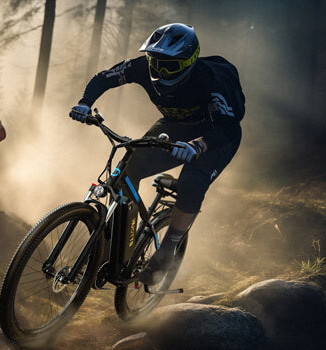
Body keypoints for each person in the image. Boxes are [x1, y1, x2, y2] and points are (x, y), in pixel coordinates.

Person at [69, 23, 245, 285]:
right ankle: (119, 246)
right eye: (155, 62)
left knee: (192, 182)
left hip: (214, 137)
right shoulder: (142, 67)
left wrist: (198, 145)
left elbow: (229, 126)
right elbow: (104, 77)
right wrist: (85, 102)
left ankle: (167, 249)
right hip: (173, 128)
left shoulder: (211, 80)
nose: (160, 72)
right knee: (126, 171)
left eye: (170, 66)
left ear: (189, 62)